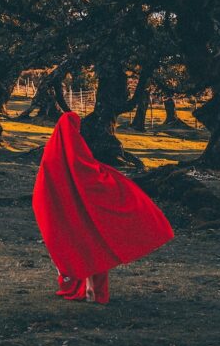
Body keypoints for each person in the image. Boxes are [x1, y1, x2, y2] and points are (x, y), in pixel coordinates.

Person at [32, 112, 174, 304]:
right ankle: (94, 290)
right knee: (94, 244)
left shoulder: (52, 152)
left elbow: (49, 183)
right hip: (83, 209)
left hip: (66, 211)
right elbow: (86, 170)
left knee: (77, 245)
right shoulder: (76, 147)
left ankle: (83, 287)